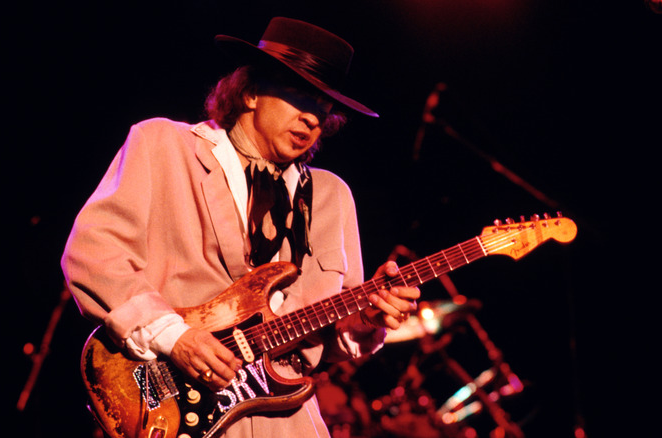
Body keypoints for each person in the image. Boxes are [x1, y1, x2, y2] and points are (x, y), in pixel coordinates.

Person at [61, 17, 420, 438]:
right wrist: (176, 338)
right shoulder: (163, 146)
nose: (311, 120)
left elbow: (332, 340)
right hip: (168, 405)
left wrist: (366, 320)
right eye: (299, 98)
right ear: (250, 93)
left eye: (323, 111)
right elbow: (93, 254)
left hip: (290, 421)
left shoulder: (331, 197)